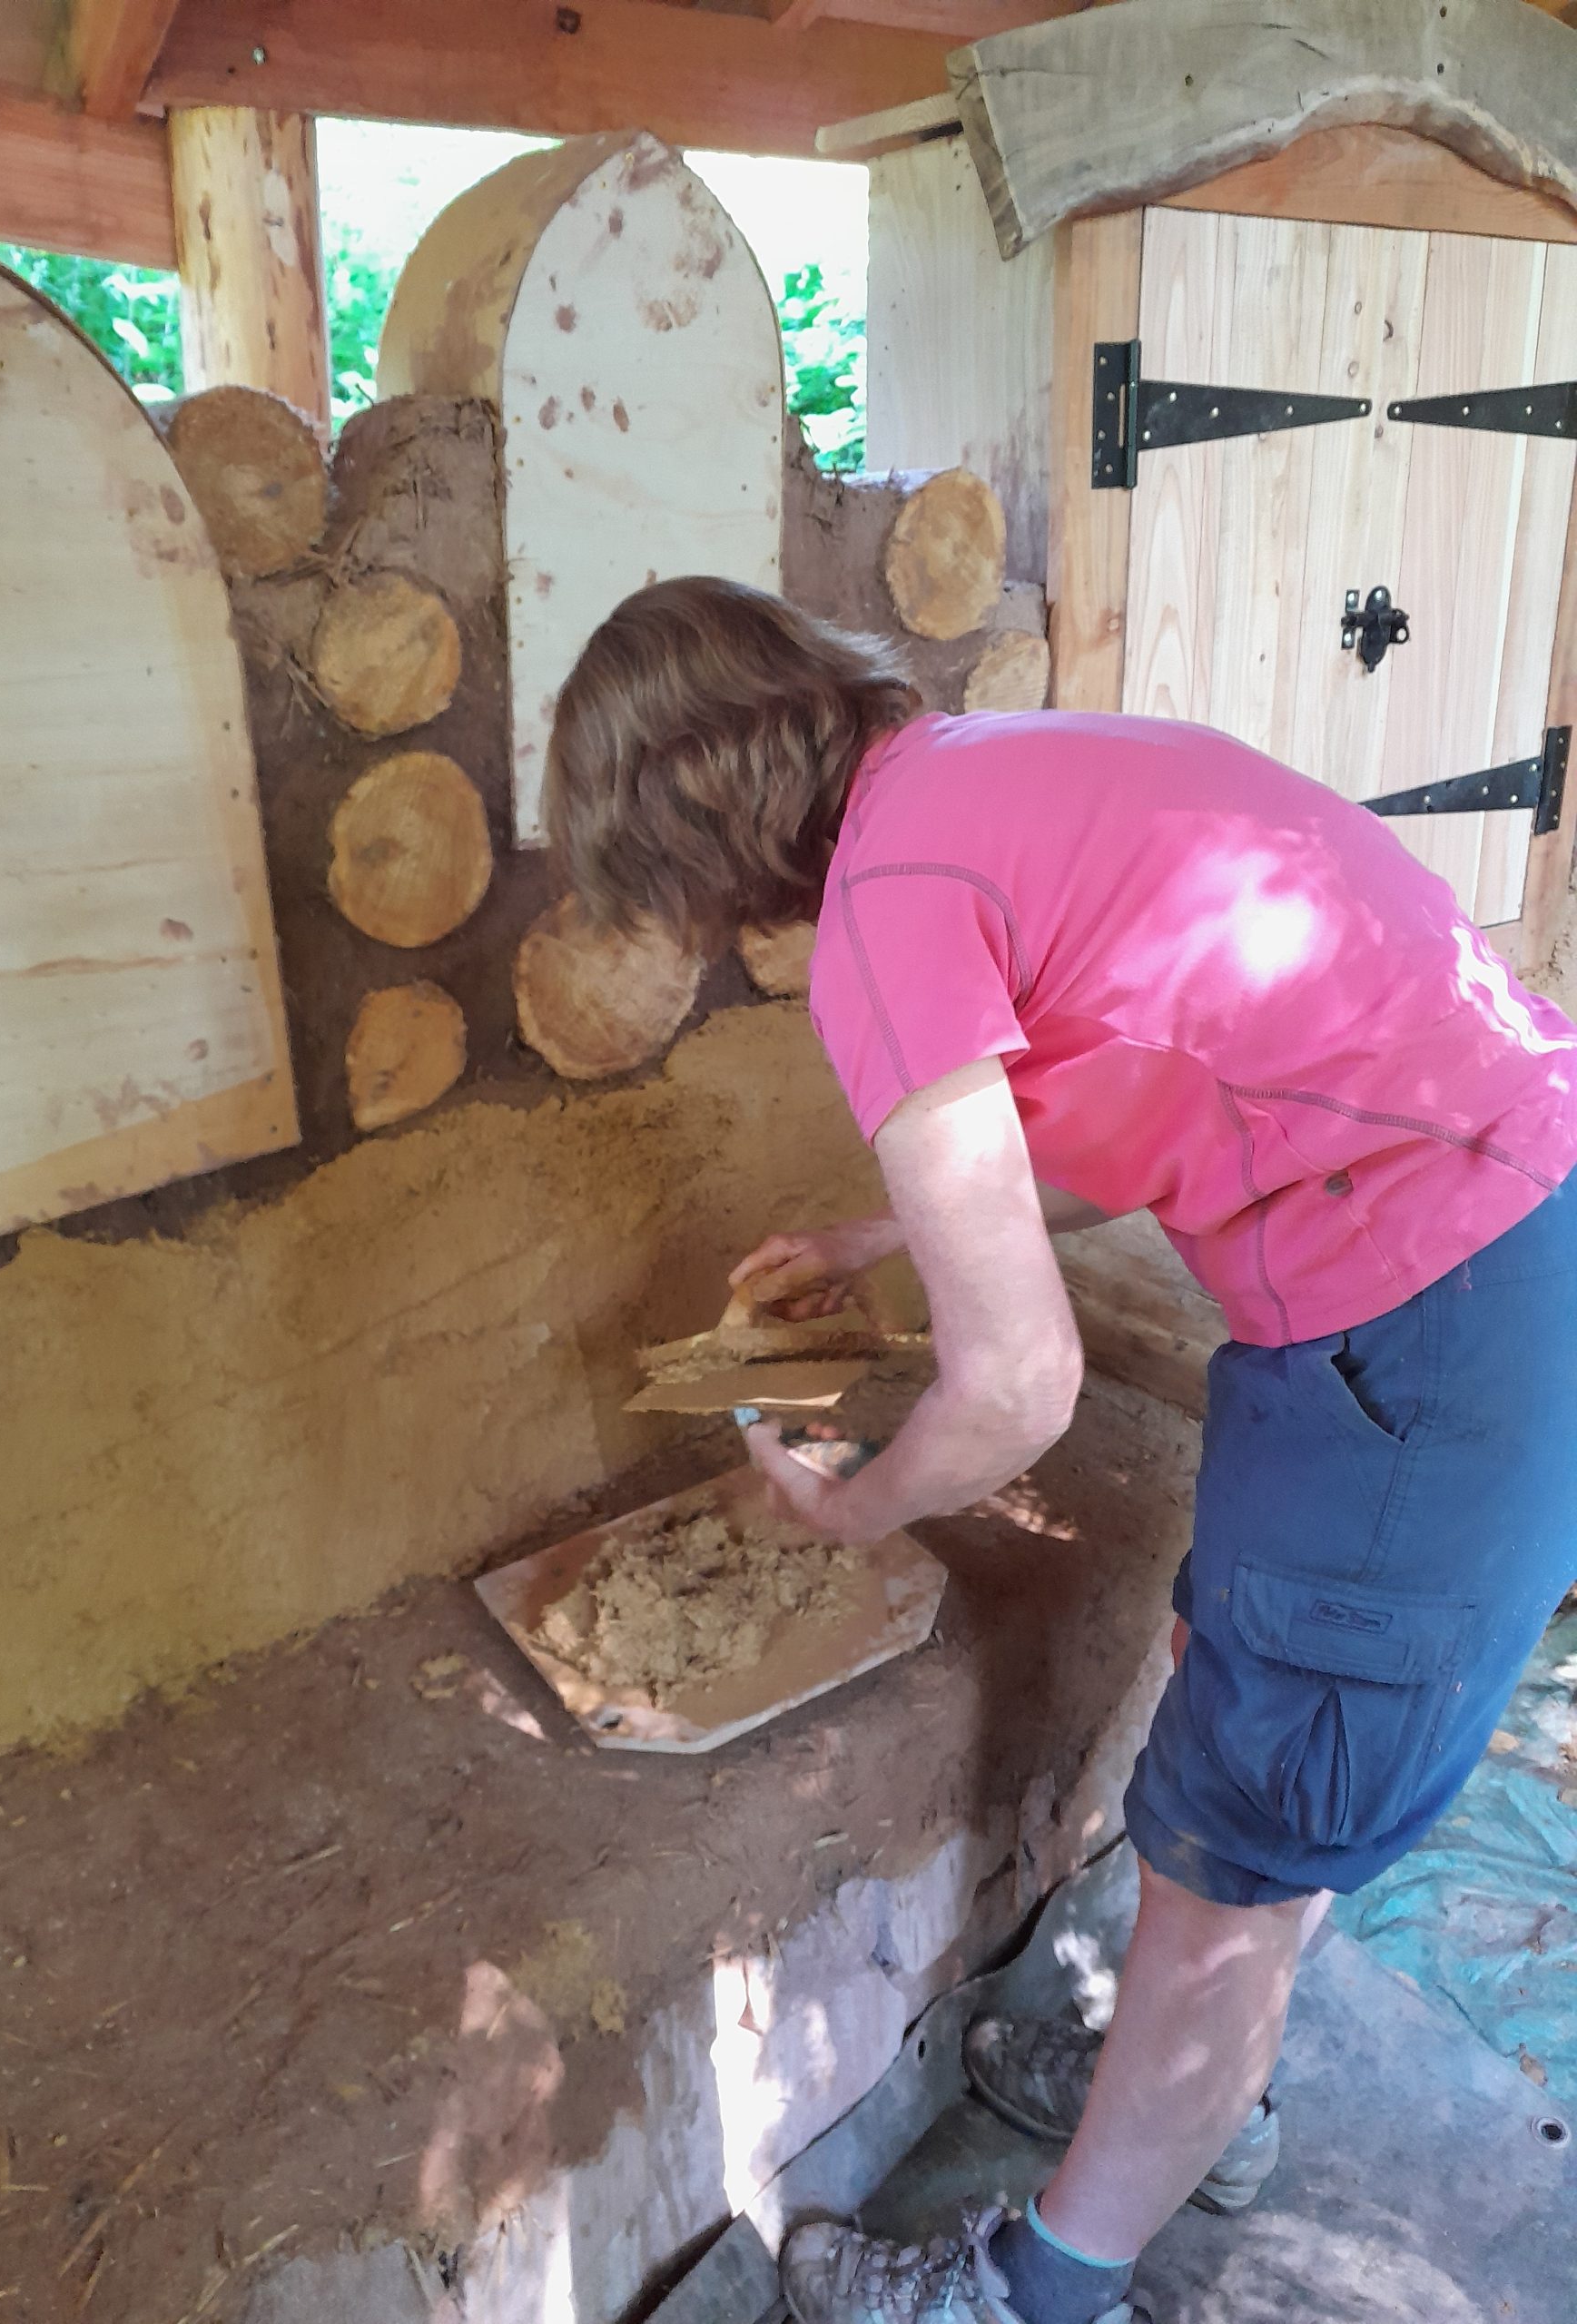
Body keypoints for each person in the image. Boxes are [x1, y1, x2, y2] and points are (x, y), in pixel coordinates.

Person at [543, 576, 1577, 2324]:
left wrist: (853, 1509)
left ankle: (1035, 2290)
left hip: (1434, 1323)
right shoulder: (983, 778)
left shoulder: (883, 909)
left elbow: (1017, 1386)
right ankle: (1192, 2114)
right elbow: (1145, 1107)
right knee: (1262, 1770)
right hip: (1494, 1235)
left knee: (1240, 1860)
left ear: (699, 832)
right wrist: (888, 1234)